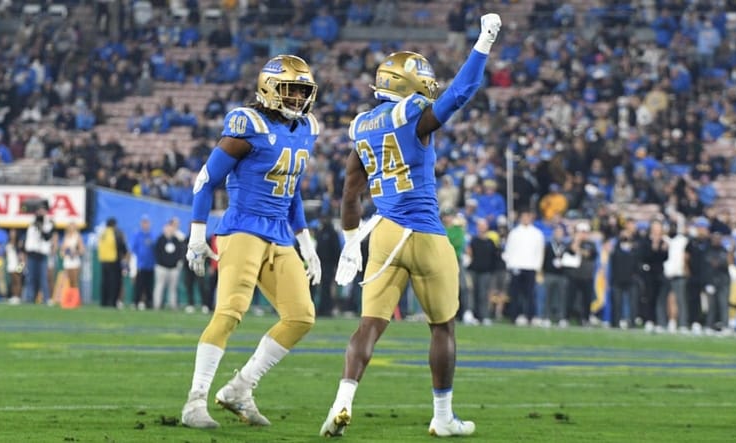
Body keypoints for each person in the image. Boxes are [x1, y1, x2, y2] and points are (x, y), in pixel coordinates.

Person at [321, 13, 501, 438]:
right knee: (442, 327)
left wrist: (350, 242)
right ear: (408, 86)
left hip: (382, 232)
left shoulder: (363, 126)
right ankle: (442, 417)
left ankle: (342, 402)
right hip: (424, 232)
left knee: (369, 325)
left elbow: (349, 193)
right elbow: (461, 93)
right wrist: (484, 43)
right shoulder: (414, 114)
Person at [180, 54, 322, 429]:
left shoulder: (307, 126)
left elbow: (291, 189)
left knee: (301, 316)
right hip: (242, 227)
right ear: (269, 88)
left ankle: (240, 388)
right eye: (290, 91)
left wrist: (305, 239)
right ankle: (195, 401)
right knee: (230, 312)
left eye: (302, 92)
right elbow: (204, 180)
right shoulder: (248, 123)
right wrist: (197, 235)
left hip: (279, 232)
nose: (297, 99)